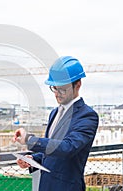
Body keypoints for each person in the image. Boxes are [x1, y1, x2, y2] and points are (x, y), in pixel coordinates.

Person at [13, 56, 99, 191]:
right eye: (54, 88)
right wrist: (33, 159)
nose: (57, 94)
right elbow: (53, 150)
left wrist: (29, 140)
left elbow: (68, 148)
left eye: (63, 89)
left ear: (78, 85)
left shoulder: (87, 116)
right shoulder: (54, 113)